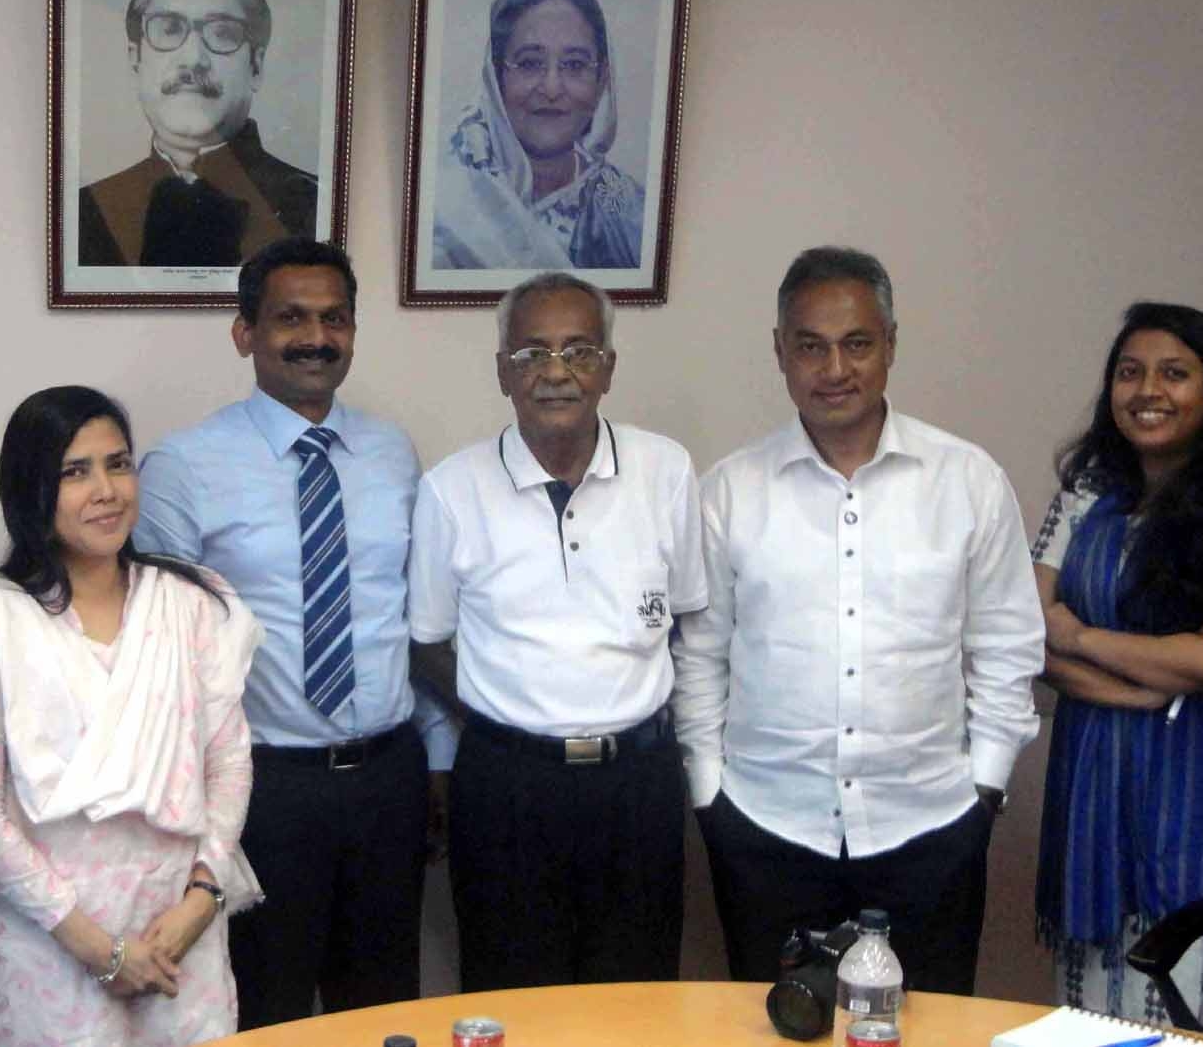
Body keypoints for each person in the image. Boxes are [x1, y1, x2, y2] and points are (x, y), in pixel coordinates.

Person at [673, 245, 1042, 995]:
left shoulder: (967, 481)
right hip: (766, 829)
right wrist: (710, 793)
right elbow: (700, 656)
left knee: (927, 1034)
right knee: (773, 1035)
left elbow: (1006, 643)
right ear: (780, 352)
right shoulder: (730, 492)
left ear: (891, 346)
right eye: (810, 345)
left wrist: (986, 789)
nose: (833, 368)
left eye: (856, 344)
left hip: (931, 830)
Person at [133, 237, 452, 1029]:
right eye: (290, 318)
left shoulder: (393, 453)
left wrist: (437, 757)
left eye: (334, 318)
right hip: (264, 791)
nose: (316, 337)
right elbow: (162, 650)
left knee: (383, 1009)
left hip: (388, 779)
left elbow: (415, 622)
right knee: (268, 1010)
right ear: (245, 332)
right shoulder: (183, 466)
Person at [0, 386, 261, 1046]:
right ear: (30, 489)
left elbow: (227, 761)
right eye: (74, 472)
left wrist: (203, 895)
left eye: (118, 463)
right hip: (47, 939)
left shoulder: (188, 603)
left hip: (177, 931)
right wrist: (94, 944)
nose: (106, 489)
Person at [409, 272, 706, 990]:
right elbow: (427, 644)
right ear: (502, 373)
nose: (554, 374)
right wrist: (510, 709)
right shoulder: (452, 489)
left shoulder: (666, 471)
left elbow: (692, 622)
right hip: (507, 786)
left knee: (634, 1004)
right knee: (511, 995)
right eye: (530, 355)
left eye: (577, 351)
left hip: (638, 782)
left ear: (607, 367)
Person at [1032, 302, 1203, 1031]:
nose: (1148, 390)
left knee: (1193, 997)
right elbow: (1027, 634)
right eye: (1129, 372)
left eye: (1174, 373)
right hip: (1094, 783)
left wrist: (1080, 637)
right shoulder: (1083, 497)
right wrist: (1142, 690)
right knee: (1094, 1011)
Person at [79, 0, 317, 268]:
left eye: (221, 34)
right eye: (168, 29)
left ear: (256, 66)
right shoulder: (86, 210)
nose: (192, 58)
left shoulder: (311, 202)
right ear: (135, 60)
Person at [432, 0, 645, 272]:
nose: (552, 88)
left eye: (574, 65)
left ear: (602, 80)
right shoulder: (445, 201)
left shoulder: (630, 211)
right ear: (495, 77)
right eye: (530, 63)